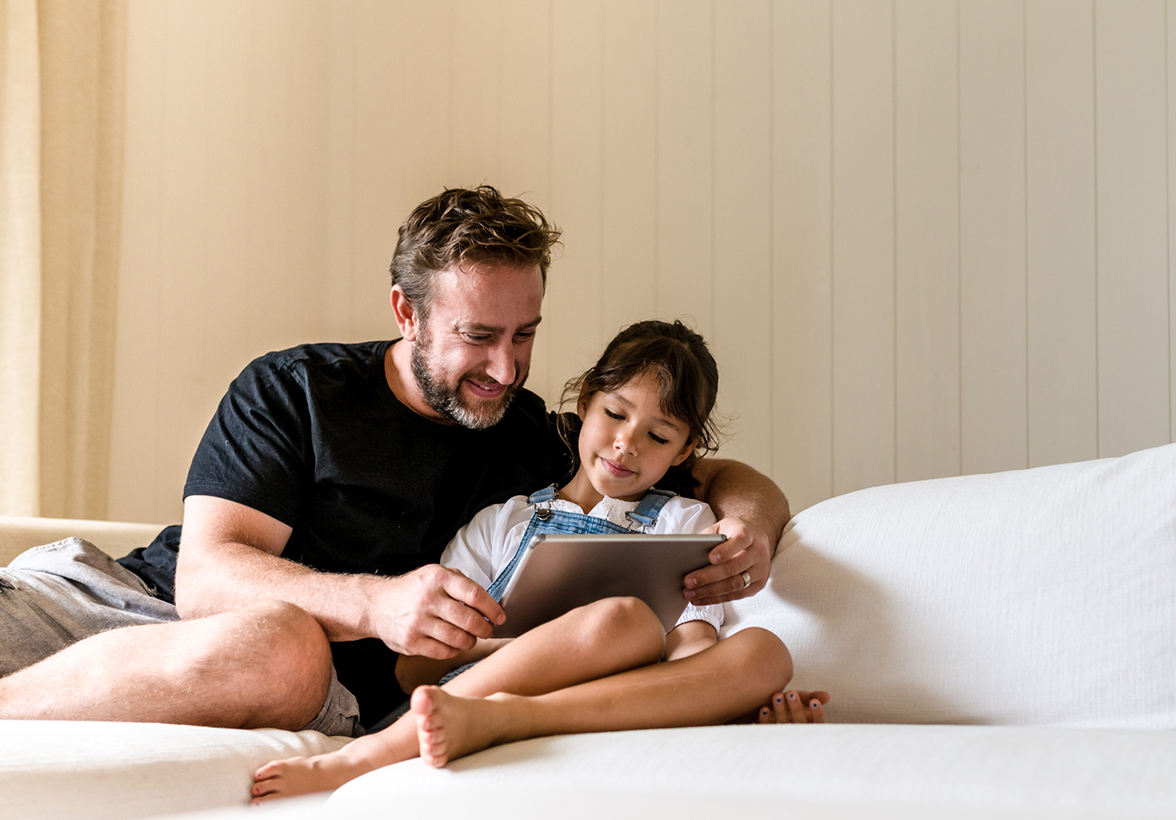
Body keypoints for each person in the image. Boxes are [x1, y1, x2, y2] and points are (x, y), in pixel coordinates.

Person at [0, 186, 790, 737]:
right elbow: (206, 580)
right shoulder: (296, 387)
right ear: (407, 312)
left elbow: (701, 468)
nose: (508, 371)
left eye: (526, 335)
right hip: (120, 597)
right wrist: (379, 604)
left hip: (291, 667)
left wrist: (751, 524)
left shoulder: (528, 439)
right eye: (479, 337)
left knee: (283, 647)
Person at [251, 320, 828, 802]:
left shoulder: (684, 522)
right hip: (471, 688)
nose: (627, 444)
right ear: (584, 405)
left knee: (765, 654)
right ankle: (375, 753)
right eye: (616, 414)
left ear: (685, 452)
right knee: (619, 619)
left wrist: (727, 697)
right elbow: (414, 670)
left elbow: (694, 646)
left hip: (610, 697)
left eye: (658, 436)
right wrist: (549, 648)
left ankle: (508, 719)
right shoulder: (503, 522)